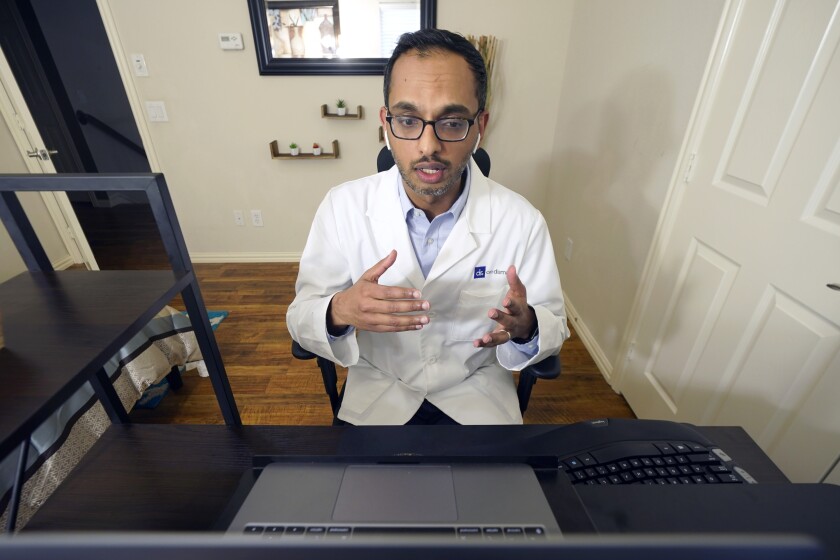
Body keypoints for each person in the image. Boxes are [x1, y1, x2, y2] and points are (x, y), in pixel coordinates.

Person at [287, 28, 569, 425]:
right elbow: (301, 318)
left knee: (494, 488)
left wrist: (528, 327)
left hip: (477, 394)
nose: (428, 146)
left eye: (452, 123)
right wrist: (339, 311)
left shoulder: (521, 221)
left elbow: (555, 324)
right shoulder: (342, 207)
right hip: (379, 391)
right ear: (386, 123)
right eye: (407, 119)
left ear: (480, 126)